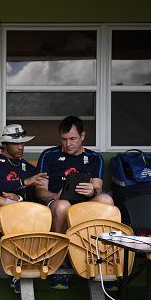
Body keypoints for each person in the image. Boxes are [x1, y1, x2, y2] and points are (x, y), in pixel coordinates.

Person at [36, 115, 113, 289]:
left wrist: (92, 190)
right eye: (64, 139)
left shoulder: (94, 158)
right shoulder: (49, 155)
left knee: (107, 200)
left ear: (82, 136)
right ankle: (60, 264)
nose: (68, 144)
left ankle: (104, 265)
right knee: (64, 205)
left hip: (84, 204)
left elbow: (98, 188)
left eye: (72, 139)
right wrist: (57, 196)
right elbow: (40, 191)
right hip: (57, 204)